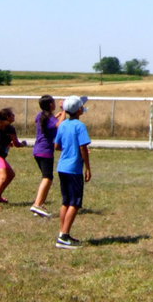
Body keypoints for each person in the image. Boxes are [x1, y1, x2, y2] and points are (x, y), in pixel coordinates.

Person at [54, 95, 92, 249]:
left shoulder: (62, 125)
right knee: (75, 203)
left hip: (62, 167)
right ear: (79, 110)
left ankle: (63, 233)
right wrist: (87, 167)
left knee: (66, 202)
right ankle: (64, 237)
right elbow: (83, 147)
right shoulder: (80, 126)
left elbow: (57, 146)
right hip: (74, 169)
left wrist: (68, 147)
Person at [0, 108, 27, 210]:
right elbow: (16, 144)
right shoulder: (10, 128)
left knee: (11, 175)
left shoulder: (1, 126)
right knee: (3, 177)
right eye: (12, 115)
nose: (14, 116)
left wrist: (5, 142)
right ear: (8, 117)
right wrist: (23, 144)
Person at [30, 95, 64, 218]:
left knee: (47, 177)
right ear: (50, 105)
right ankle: (37, 204)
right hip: (45, 151)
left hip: (37, 151)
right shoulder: (49, 118)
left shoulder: (41, 116)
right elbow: (59, 126)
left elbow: (49, 123)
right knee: (47, 178)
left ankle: (39, 205)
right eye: (53, 103)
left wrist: (56, 116)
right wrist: (65, 110)